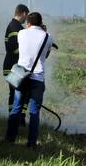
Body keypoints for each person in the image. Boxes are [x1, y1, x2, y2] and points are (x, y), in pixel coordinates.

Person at [5, 12, 55, 149]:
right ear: (40, 23)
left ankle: (10, 139)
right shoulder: (48, 37)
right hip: (37, 79)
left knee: (16, 107)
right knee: (34, 112)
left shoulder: (21, 33)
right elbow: (47, 54)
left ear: (28, 23)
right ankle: (31, 143)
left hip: (21, 76)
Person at [3, 4, 30, 109]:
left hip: (11, 66)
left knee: (14, 93)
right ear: (23, 13)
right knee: (18, 93)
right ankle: (16, 118)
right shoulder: (16, 28)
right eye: (26, 16)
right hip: (13, 67)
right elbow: (13, 49)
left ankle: (14, 116)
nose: (26, 19)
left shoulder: (14, 26)